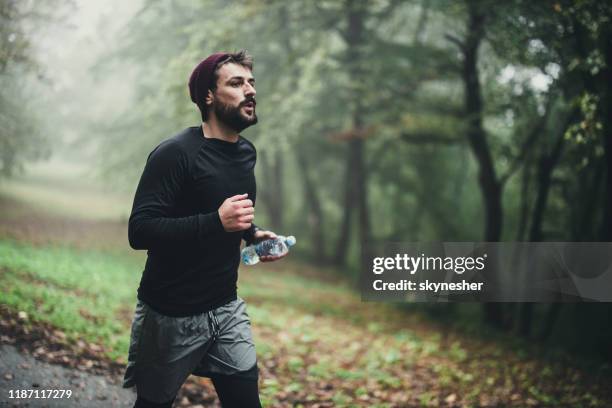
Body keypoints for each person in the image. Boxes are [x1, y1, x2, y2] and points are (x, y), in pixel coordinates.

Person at [122, 50, 283, 408]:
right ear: (209, 96)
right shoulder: (175, 153)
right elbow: (140, 230)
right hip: (169, 314)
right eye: (237, 83)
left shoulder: (245, 152)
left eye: (252, 83)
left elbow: (231, 212)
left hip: (225, 307)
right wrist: (215, 221)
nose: (250, 91)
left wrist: (252, 234)